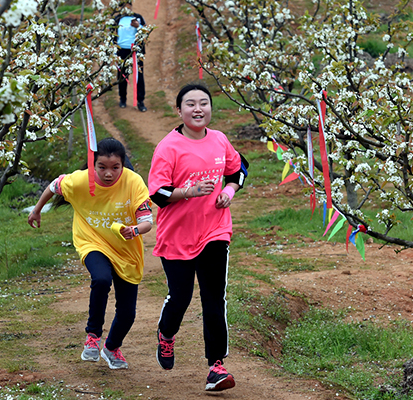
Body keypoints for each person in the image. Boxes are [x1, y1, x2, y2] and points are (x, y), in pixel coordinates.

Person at [148, 82, 248, 392]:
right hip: (176, 236)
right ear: (179, 110)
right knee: (181, 298)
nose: (198, 108)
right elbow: (158, 194)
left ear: (210, 109)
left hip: (215, 231)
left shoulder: (219, 140)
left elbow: (239, 168)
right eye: (190, 104)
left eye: (203, 103)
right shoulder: (168, 146)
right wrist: (189, 192)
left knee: (213, 298)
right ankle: (166, 335)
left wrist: (229, 191)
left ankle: (216, 366)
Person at [28, 138, 153, 370]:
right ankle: (93, 337)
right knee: (101, 279)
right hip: (92, 241)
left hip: (126, 250)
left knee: (128, 313)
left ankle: (111, 348)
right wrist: (36, 211)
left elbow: (147, 221)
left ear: (123, 165)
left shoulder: (134, 182)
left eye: (115, 167)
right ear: (92, 165)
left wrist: (134, 230)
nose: (108, 174)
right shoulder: (78, 180)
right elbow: (53, 186)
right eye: (102, 167)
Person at [114, 1, 147, 112]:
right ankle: (122, 98)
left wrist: (139, 26)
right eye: (124, 5)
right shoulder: (117, 19)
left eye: (128, 5)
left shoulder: (138, 18)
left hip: (135, 51)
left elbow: (145, 32)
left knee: (139, 76)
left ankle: (140, 101)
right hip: (121, 51)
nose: (126, 7)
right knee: (122, 75)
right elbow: (112, 34)